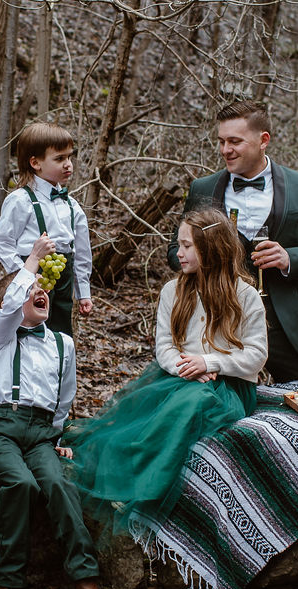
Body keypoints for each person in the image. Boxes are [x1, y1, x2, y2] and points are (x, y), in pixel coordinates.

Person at [67, 208, 268, 533]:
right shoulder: (172, 292)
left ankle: (142, 488)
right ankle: (123, 466)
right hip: (176, 378)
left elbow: (257, 356)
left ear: (211, 248)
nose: (179, 253)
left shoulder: (244, 296)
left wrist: (211, 362)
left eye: (187, 246)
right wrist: (185, 366)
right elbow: (164, 347)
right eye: (179, 244)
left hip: (229, 387)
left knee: (192, 405)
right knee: (142, 415)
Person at [0, 234, 114, 589]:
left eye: (43, 291)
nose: (40, 293)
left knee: (57, 484)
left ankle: (85, 580)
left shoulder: (63, 344)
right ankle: (7, 584)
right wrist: (32, 260)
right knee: (20, 484)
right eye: (31, 290)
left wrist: (58, 438)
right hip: (2, 427)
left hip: (40, 433)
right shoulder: (2, 336)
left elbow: (63, 396)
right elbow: (9, 299)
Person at [166, 100, 298, 382]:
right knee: (221, 415)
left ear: (264, 140)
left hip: (291, 326)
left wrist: (291, 259)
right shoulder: (202, 189)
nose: (225, 150)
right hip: (219, 327)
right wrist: (205, 257)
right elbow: (174, 251)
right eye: (222, 141)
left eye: (235, 141)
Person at [0, 122, 93, 338]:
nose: (68, 165)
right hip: (31, 276)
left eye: (69, 157)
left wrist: (83, 292)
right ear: (35, 163)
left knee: (61, 335)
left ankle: (57, 370)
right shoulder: (20, 200)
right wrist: (23, 275)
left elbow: (82, 254)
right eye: (59, 159)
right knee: (28, 333)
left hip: (63, 277)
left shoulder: (72, 206)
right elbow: (2, 242)